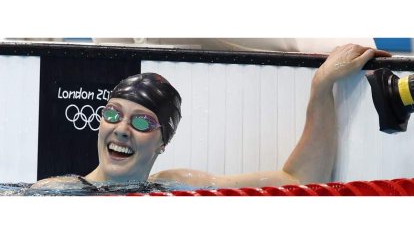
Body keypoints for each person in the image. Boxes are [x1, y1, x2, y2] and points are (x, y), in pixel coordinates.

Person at [31, 44, 392, 190]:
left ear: (163, 142)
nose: (122, 130)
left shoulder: (176, 185)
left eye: (142, 122)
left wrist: (321, 86)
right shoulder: (62, 192)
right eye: (113, 114)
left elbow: (298, 179)